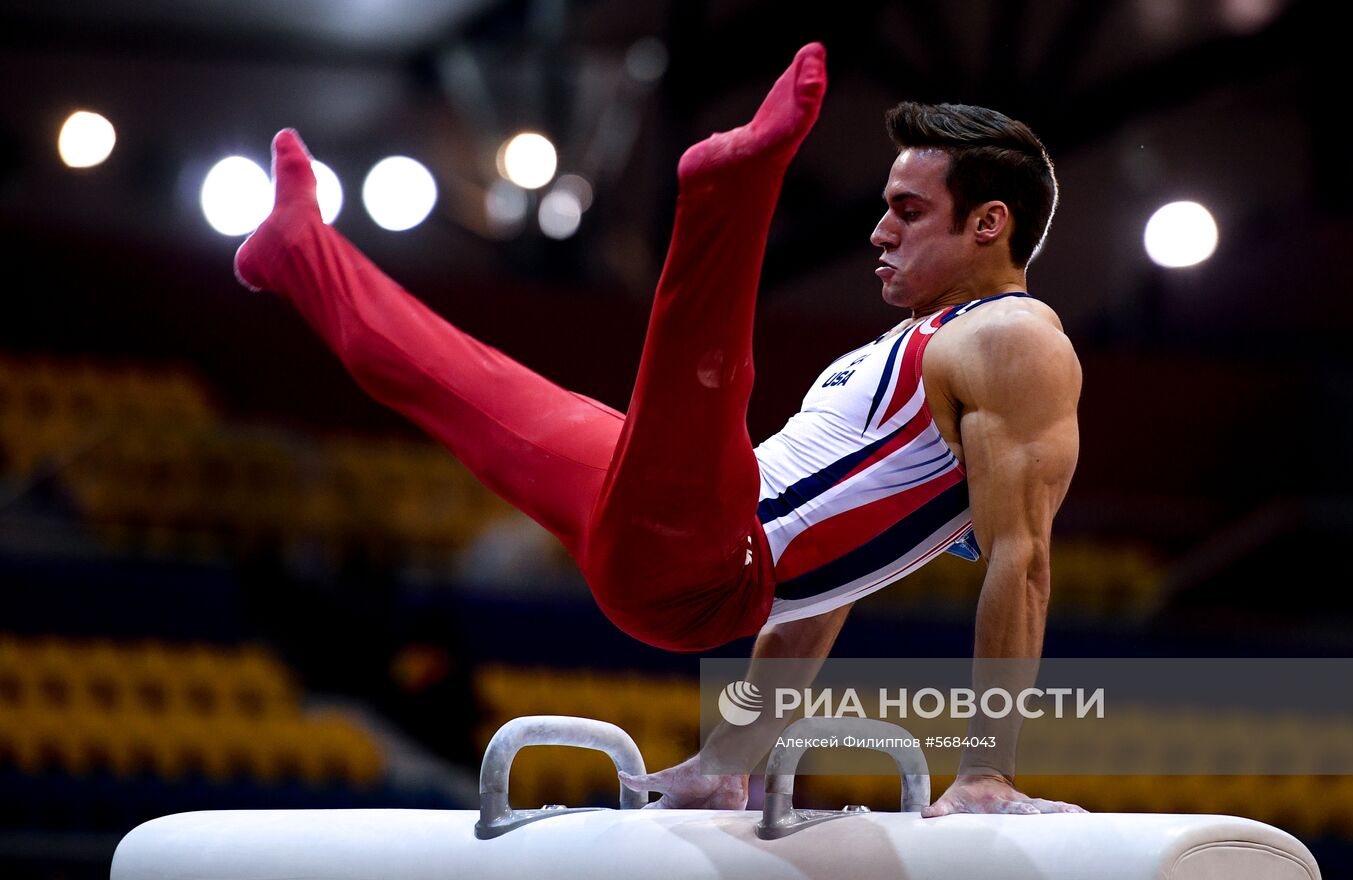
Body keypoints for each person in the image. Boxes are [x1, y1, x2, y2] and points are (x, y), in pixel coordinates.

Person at [235, 42, 1082, 816]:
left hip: (712, 561)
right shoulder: (900, 350)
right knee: (453, 379)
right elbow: (825, 599)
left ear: (988, 223)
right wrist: (729, 759)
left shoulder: (1014, 344)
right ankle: (297, 250)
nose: (878, 230)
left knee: (707, 379)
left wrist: (984, 772)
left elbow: (1023, 559)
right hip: (671, 537)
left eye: (906, 209)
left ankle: (730, 185)